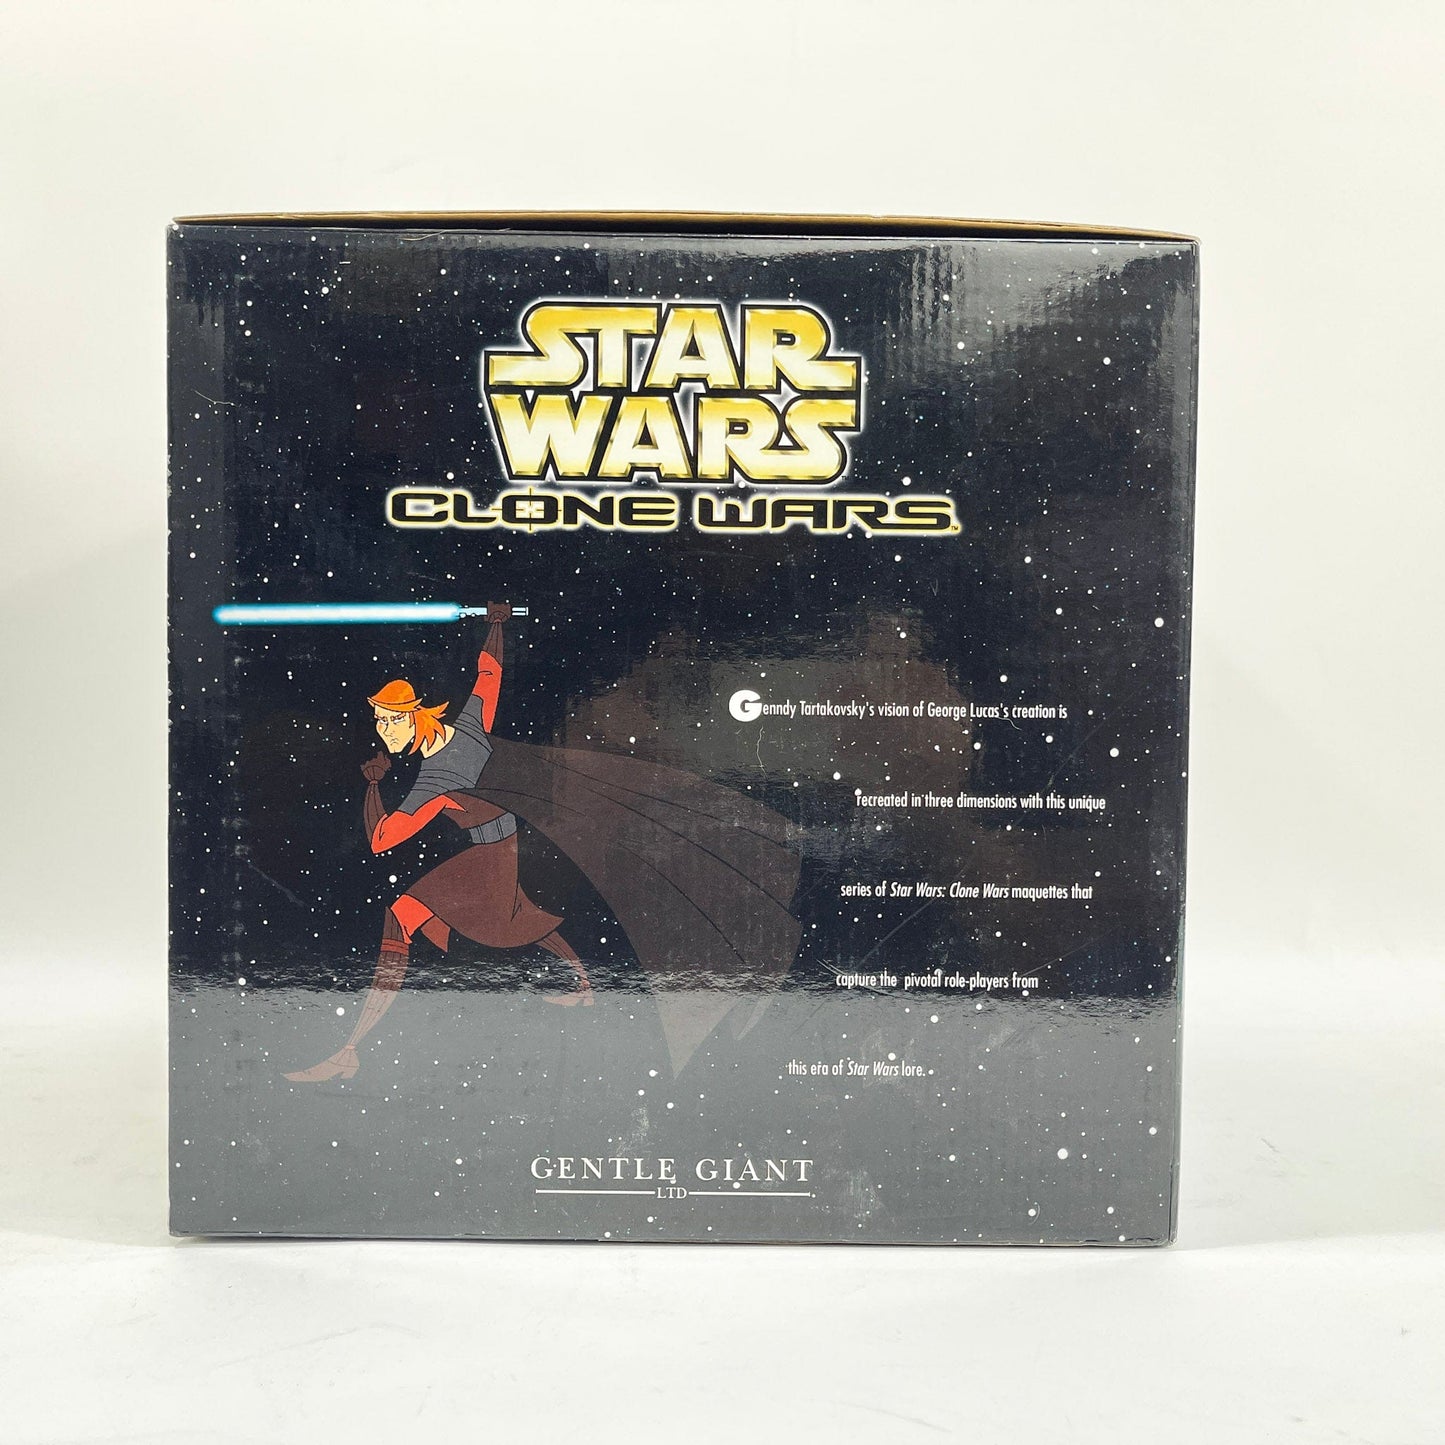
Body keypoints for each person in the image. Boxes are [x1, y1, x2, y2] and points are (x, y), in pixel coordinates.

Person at [285, 602, 589, 1084]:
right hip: (500, 846)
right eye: (379, 722)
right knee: (513, 915)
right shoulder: (470, 725)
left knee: (408, 915)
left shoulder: (435, 782)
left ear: (415, 715)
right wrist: (496, 624)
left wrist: (373, 786)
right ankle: (586, 983)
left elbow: (381, 840)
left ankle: (349, 1052)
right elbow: (488, 672)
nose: (384, 732)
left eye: (391, 721)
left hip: (494, 854)